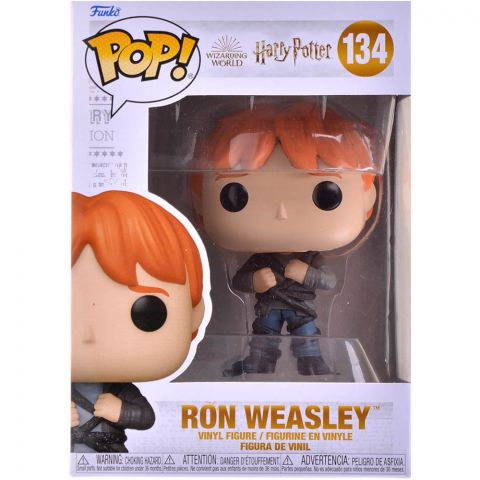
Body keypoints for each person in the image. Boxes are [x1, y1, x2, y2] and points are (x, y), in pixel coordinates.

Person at [193, 102, 377, 375]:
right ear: (199, 201)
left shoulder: (310, 258)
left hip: (301, 310)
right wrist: (255, 281)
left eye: (327, 194)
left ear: (368, 198)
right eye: (236, 195)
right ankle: (260, 362)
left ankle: (311, 361)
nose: (282, 213)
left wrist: (307, 274)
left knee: (307, 337)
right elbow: (239, 281)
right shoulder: (261, 260)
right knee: (263, 337)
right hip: (268, 309)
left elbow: (329, 281)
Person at [71, 191, 205, 452]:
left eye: (147, 312)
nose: (89, 334)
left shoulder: (121, 390)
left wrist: (121, 411)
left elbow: (146, 417)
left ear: (194, 316)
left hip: (112, 457)